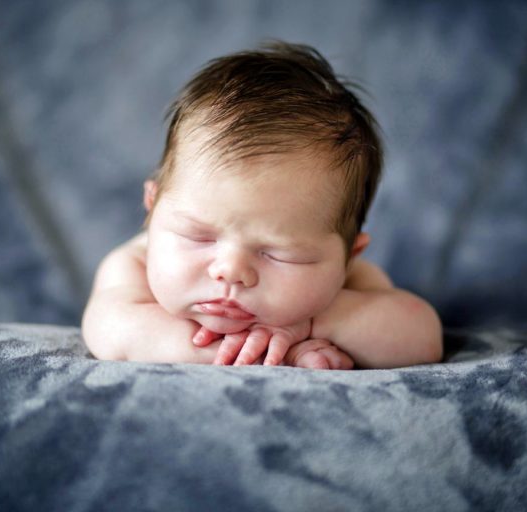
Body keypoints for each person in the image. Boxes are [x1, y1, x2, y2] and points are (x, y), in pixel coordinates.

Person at [82, 42, 442, 369]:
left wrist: (313, 324)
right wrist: (269, 354)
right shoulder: (134, 264)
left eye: (279, 254)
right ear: (152, 207)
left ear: (348, 256)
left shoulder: (348, 281)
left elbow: (423, 338)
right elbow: (112, 331)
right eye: (199, 236)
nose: (231, 270)